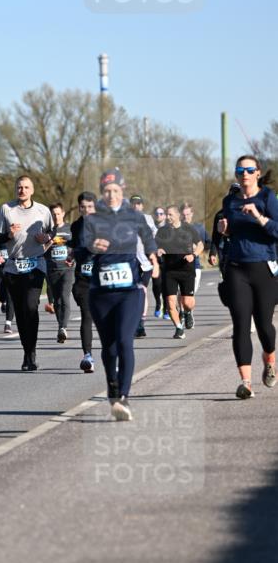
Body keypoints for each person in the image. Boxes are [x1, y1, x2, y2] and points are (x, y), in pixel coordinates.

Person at [82, 170, 159, 420]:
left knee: (125, 341)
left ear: (122, 190)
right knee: (109, 347)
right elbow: (85, 245)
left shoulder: (134, 216)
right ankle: (112, 386)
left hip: (129, 290)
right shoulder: (93, 219)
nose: (111, 195)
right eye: (107, 192)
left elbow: (148, 239)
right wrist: (94, 246)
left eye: (115, 191)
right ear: (102, 193)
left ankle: (124, 397)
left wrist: (153, 258)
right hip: (101, 292)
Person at [217, 156, 278, 399]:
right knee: (241, 324)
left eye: (249, 170)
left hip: (264, 267)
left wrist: (258, 217)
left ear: (257, 173)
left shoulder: (267, 198)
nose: (244, 174)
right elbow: (229, 232)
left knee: (264, 324)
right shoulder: (229, 201)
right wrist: (225, 231)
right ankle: (246, 382)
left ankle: (270, 358)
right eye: (240, 170)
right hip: (236, 268)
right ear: (236, 174)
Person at [0, 176, 53, 371]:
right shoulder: (6, 209)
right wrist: (8, 235)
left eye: (26, 187)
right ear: (15, 189)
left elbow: (52, 234)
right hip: (13, 267)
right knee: (20, 312)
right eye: (19, 187)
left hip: (35, 265)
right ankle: (26, 353)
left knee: (31, 307)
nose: (22, 190)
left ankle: (32, 353)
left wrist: (47, 238)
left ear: (32, 190)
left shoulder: (43, 211)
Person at [155, 205, 203, 339]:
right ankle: (178, 328)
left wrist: (193, 255)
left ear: (177, 215)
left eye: (170, 215)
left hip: (186, 269)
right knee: (170, 301)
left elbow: (200, 244)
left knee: (187, 303)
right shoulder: (162, 231)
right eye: (166, 215)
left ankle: (187, 312)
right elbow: (156, 246)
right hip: (169, 270)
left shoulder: (188, 228)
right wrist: (159, 251)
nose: (168, 217)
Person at [70, 192, 97, 372]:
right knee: (86, 315)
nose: (86, 210)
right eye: (83, 207)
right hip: (83, 278)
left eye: (89, 207)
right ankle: (87, 355)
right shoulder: (76, 226)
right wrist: (71, 252)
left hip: (103, 278)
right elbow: (76, 246)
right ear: (79, 208)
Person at [44, 202, 74, 343]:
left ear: (63, 214)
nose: (56, 216)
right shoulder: (47, 230)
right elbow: (41, 250)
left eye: (58, 214)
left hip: (67, 269)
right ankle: (60, 327)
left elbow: (77, 246)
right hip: (52, 269)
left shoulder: (70, 229)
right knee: (57, 301)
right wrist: (49, 241)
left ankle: (63, 327)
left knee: (64, 296)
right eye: (53, 214)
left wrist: (72, 257)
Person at [129, 194, 157, 337]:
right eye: (133, 203)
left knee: (143, 291)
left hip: (145, 262)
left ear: (142, 205)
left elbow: (154, 236)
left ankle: (141, 323)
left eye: (139, 203)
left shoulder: (148, 219)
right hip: (130, 261)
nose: (136, 206)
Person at [180, 202, 211, 292]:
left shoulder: (199, 228)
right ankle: (179, 306)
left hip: (194, 266)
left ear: (192, 214)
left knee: (189, 296)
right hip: (178, 266)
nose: (186, 217)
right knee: (181, 294)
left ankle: (183, 306)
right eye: (183, 214)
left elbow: (208, 243)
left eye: (188, 214)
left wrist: (198, 248)